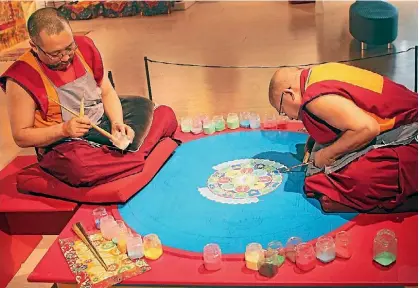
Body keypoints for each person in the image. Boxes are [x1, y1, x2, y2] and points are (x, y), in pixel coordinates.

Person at [0, 7, 178, 187]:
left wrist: (117, 123)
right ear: (34, 46)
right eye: (55, 54)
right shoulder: (21, 76)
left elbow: (106, 91)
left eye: (69, 48)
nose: (66, 57)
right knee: (81, 167)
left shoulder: (84, 46)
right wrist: (64, 129)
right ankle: (144, 153)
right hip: (66, 141)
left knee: (162, 113)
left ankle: (130, 157)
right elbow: (21, 136)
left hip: (101, 118)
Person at [269, 62, 418, 213]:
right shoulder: (318, 73)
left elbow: (368, 128)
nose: (287, 116)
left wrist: (328, 154)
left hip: (412, 135)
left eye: (281, 109)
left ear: (289, 94)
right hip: (406, 115)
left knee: (347, 179)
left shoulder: (314, 99)